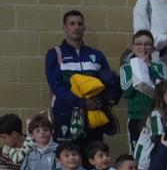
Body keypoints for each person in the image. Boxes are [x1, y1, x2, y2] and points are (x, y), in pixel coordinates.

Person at [45, 10, 120, 146]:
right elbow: (56, 87)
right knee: (68, 160)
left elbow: (106, 84)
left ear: (84, 28)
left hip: (93, 115)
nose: (76, 27)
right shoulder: (55, 53)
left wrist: (100, 100)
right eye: (72, 24)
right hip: (65, 114)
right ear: (64, 28)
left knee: (93, 158)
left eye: (80, 24)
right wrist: (82, 103)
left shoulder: (97, 55)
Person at [120, 30, 167, 148]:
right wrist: (138, 68)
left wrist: (149, 68)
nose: (143, 47)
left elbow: (166, 90)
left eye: (147, 44)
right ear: (132, 48)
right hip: (137, 118)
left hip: (159, 116)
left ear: (153, 48)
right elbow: (127, 92)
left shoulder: (160, 66)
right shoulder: (126, 68)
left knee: (159, 149)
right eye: (139, 44)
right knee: (138, 153)